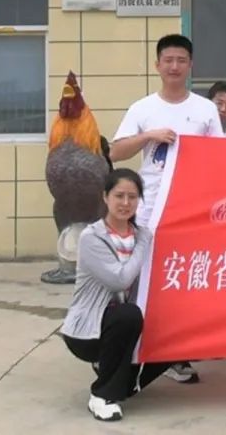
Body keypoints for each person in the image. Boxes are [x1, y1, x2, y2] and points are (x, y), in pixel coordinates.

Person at [111, 34, 223, 384]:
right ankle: (129, 349)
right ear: (157, 65)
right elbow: (116, 152)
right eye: (168, 60)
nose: (174, 66)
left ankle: (174, 354)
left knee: (182, 277)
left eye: (181, 60)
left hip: (190, 207)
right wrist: (149, 136)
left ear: (191, 65)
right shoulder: (142, 108)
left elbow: (220, 157)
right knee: (140, 277)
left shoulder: (205, 109)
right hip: (149, 209)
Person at [60, 168, 172, 422]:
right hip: (88, 331)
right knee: (127, 315)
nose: (125, 203)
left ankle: (119, 377)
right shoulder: (92, 237)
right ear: (105, 197)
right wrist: (143, 241)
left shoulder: (141, 235)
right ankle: (102, 395)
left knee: (176, 331)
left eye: (132, 197)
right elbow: (120, 280)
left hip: (122, 326)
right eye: (119, 196)